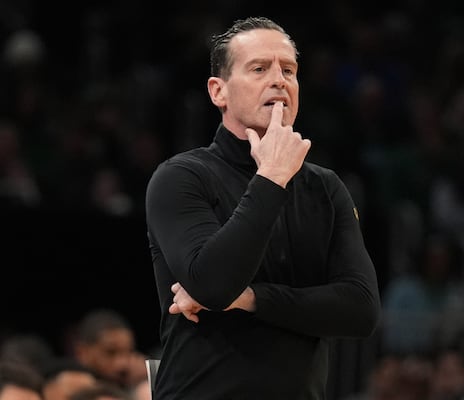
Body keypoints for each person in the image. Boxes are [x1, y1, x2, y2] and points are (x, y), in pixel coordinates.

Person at [144, 16, 381, 399]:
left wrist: (251, 298)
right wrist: (271, 177)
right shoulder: (181, 177)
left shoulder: (326, 187)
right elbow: (214, 284)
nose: (279, 80)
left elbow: (361, 309)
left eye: (289, 70)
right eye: (259, 68)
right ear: (218, 91)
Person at [69, 308, 148, 391]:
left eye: (129, 352)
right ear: (82, 352)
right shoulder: (65, 391)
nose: (122, 364)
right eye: (110, 352)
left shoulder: (140, 383)